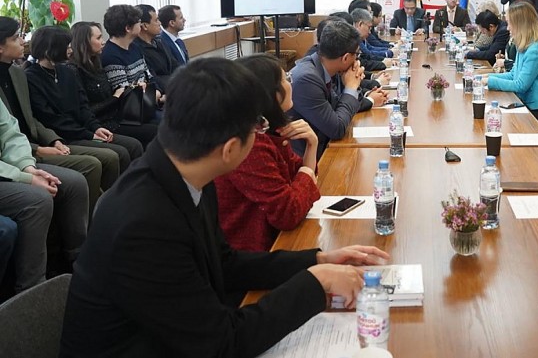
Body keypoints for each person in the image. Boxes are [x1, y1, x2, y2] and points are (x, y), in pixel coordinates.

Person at [60, 58, 389, 357]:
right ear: (231, 149)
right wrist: (315, 284)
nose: (262, 134)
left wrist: (317, 260)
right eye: (258, 128)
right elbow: (223, 344)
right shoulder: (143, 224)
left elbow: (224, 263)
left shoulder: (181, 172)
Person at [215, 54, 320, 252]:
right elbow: (288, 212)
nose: (290, 84)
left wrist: (312, 145)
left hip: (273, 240)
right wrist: (305, 174)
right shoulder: (249, 143)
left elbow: (301, 178)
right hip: (252, 253)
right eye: (284, 80)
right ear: (268, 94)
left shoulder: (267, 129)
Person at [0, 18, 104, 214]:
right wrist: (39, 149)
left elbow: (30, 119)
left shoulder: (16, 74)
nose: (23, 41)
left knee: (109, 156)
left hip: (31, 146)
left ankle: (96, 221)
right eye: (16, 38)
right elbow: (8, 134)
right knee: (89, 166)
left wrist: (53, 139)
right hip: (16, 155)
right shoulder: (30, 75)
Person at [25, 27, 144, 175]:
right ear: (51, 50)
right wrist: (88, 134)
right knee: (117, 154)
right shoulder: (31, 78)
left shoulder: (67, 71)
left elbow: (83, 106)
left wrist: (95, 127)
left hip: (83, 130)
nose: (70, 49)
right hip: (64, 137)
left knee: (133, 145)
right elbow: (50, 118)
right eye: (67, 46)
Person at [0, 100, 88, 294]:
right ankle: (31, 291)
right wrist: (25, 178)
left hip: (11, 166)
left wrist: (28, 167)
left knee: (74, 184)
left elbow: (10, 133)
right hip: (6, 172)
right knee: (38, 200)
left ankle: (79, 266)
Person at [69, 21, 159, 150]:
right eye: (98, 38)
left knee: (158, 124)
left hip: (115, 116)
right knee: (150, 133)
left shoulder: (97, 63)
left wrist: (133, 88)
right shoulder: (74, 70)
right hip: (101, 123)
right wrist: (115, 97)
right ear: (85, 42)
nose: (103, 41)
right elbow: (85, 110)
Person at [287, 20, 366, 160]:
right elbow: (337, 128)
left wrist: (350, 85)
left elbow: (339, 109)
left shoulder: (324, 67)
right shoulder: (307, 79)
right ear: (346, 57)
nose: (357, 60)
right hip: (304, 160)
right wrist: (351, 88)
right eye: (357, 55)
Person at [486, 2, 538, 125]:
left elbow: (520, 85)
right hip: (530, 104)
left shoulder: (535, 50)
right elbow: (512, 75)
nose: (507, 28)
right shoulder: (523, 46)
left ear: (521, 25)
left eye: (510, 23)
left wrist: (489, 81)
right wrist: (487, 77)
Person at [101, 4, 155, 90]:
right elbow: (124, 93)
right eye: (138, 21)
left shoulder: (135, 46)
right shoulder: (110, 56)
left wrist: (158, 91)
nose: (140, 24)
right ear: (128, 28)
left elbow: (149, 75)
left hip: (150, 97)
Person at [134, 4, 180, 92]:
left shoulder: (159, 41)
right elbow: (154, 78)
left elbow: (175, 65)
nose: (160, 23)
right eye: (156, 20)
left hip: (176, 86)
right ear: (144, 26)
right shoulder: (137, 49)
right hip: (163, 92)